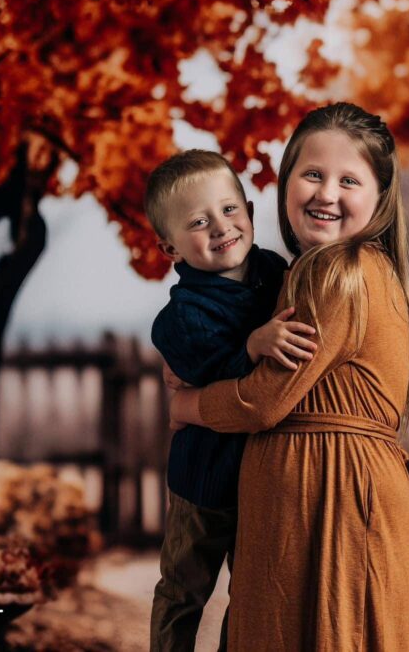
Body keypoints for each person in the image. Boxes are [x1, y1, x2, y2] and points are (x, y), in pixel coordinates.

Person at [168, 103, 409, 651]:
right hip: (316, 496)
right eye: (312, 174)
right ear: (285, 184)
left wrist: (186, 406)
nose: (326, 193)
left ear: (379, 198)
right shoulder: (318, 270)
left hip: (332, 498)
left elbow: (264, 402)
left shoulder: (337, 272)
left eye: (349, 181)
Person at [144, 149, 319, 652]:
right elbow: (209, 384)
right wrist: (251, 345)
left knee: (252, 591)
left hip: (260, 475)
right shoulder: (180, 318)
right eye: (198, 222)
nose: (221, 227)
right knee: (184, 587)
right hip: (202, 480)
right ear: (169, 248)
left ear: (247, 207)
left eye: (229, 209)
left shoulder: (272, 271)